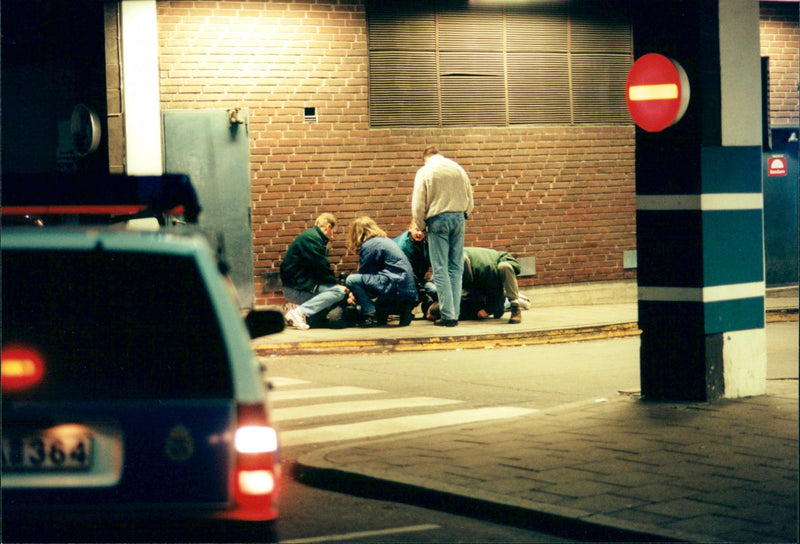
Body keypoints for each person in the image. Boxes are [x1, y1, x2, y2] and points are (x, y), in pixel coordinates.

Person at [411, 146, 474, 327]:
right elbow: (470, 196)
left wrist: (421, 225)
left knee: (440, 269)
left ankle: (447, 315)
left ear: (425, 159)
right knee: (456, 267)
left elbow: (418, 203)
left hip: (438, 219)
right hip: (459, 218)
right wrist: (464, 214)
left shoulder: (425, 171)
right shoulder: (458, 168)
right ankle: (455, 312)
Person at [345, 216, 418, 327]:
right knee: (380, 308)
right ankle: (403, 310)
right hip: (407, 289)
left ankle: (369, 315)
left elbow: (365, 275)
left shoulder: (369, 244)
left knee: (351, 280)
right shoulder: (386, 241)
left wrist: (353, 293)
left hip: (393, 285)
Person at [280, 213, 349, 330]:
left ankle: (294, 307)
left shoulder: (311, 237)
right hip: (297, 290)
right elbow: (322, 268)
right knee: (339, 292)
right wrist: (336, 285)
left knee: (335, 293)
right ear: (328, 227)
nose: (333, 236)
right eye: (334, 232)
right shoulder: (312, 239)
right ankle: (300, 311)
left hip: (298, 287)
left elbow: (316, 268)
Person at [461, 247, 524, 324]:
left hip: (499, 265)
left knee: (504, 267)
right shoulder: (456, 258)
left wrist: (488, 310)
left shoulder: (486, 270)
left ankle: (515, 307)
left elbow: (495, 289)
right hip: (481, 287)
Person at [393, 223, 437, 317]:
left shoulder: (426, 242)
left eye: (423, 231)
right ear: (410, 228)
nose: (420, 233)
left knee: (433, 290)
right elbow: (405, 271)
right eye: (417, 230)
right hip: (401, 278)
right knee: (416, 292)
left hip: (417, 277)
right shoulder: (402, 246)